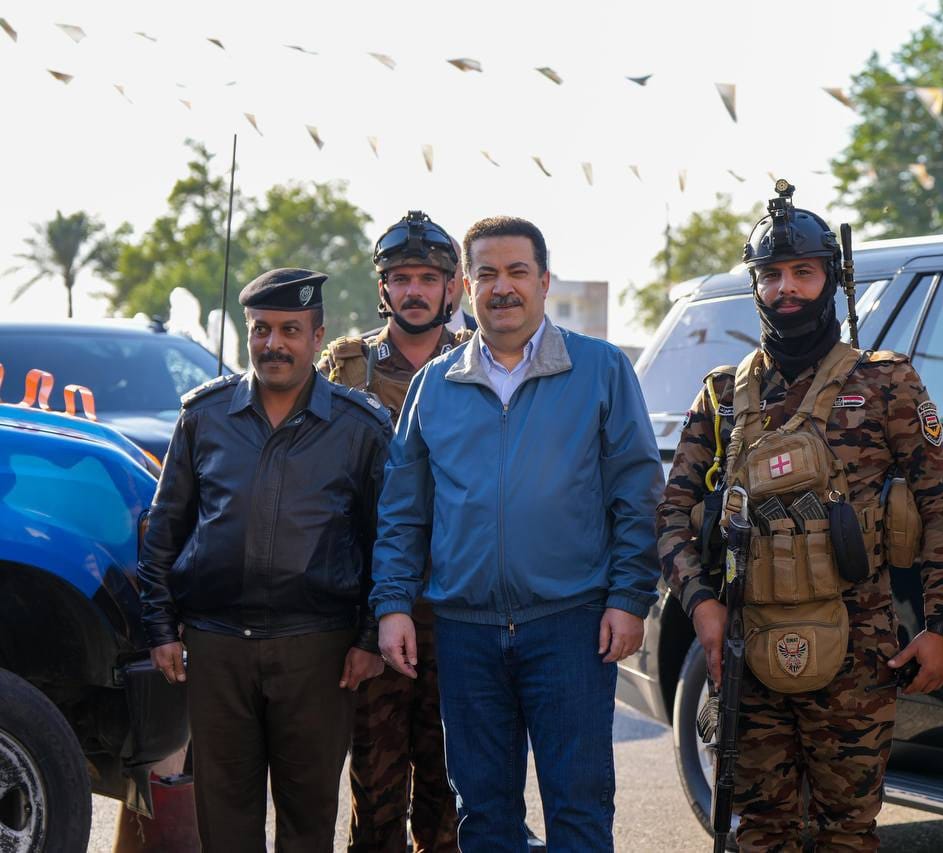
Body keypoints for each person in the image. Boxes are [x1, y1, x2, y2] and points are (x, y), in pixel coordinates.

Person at [656, 180, 943, 850]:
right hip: (748, 648)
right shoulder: (722, 395)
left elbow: (941, 510)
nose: (786, 289)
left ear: (832, 279)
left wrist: (942, 627)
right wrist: (701, 604)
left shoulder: (885, 382)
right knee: (760, 831)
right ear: (755, 284)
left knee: (846, 833)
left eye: (803, 272)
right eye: (771, 274)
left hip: (858, 655)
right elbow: (673, 513)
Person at [370, 216, 663, 850]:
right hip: (466, 631)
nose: (502, 287)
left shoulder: (600, 369)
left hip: (571, 626)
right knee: (484, 818)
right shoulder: (434, 386)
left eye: (517, 272)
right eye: (487, 274)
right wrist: (392, 605)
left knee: (579, 811)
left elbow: (637, 494)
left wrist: (629, 597)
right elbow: (403, 511)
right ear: (466, 286)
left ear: (544, 280)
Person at [137, 268, 392, 852]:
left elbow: (387, 543)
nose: (274, 344)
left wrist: (369, 638)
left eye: (290, 330)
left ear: (317, 335)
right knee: (224, 819)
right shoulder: (204, 416)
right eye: (261, 329)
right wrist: (159, 627)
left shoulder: (360, 428)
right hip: (217, 648)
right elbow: (164, 527)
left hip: (318, 652)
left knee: (308, 819)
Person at [317, 211, 469, 852]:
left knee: (449, 789)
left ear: (452, 287)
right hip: (375, 605)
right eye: (401, 278)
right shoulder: (346, 368)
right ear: (383, 287)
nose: (414, 291)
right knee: (376, 787)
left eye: (428, 279)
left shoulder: (480, 362)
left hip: (459, 603)